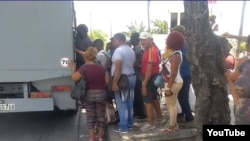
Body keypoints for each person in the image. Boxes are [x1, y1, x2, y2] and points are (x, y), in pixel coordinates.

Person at [68, 47, 109, 141]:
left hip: (88, 95)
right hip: (101, 94)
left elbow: (74, 78)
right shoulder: (102, 68)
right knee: (100, 115)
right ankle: (100, 136)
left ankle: (91, 137)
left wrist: (73, 67)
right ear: (95, 57)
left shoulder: (83, 68)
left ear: (85, 57)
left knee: (90, 115)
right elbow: (107, 82)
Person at [111, 33, 136, 133]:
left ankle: (123, 127)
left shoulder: (119, 51)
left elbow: (118, 67)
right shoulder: (130, 50)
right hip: (131, 77)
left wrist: (115, 83)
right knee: (129, 102)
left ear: (119, 40)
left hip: (122, 79)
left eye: (114, 40)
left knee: (122, 103)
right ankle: (129, 124)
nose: (113, 42)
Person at [139, 32, 164, 132]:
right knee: (153, 98)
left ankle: (150, 123)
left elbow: (149, 70)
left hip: (149, 77)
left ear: (150, 40)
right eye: (141, 40)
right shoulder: (151, 49)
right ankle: (159, 117)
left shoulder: (150, 51)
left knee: (148, 101)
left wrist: (144, 84)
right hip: (152, 77)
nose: (142, 41)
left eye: (144, 39)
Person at [171, 25, 195, 126]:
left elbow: (183, 57)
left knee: (182, 97)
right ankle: (183, 115)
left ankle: (189, 118)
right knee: (182, 96)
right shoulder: (184, 43)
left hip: (183, 73)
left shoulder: (183, 43)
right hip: (184, 73)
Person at [161, 31, 184, 133]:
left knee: (171, 105)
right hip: (175, 81)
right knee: (171, 104)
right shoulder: (177, 53)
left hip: (173, 83)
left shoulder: (175, 55)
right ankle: (174, 125)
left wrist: (168, 87)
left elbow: (173, 73)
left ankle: (171, 127)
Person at [225, 34, 250, 124]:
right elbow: (231, 78)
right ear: (248, 48)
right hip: (241, 119)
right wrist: (237, 101)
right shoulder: (245, 64)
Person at [130, 32, 147, 120]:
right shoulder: (136, 48)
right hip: (137, 75)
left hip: (139, 75)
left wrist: (133, 64)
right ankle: (137, 111)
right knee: (136, 95)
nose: (130, 40)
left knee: (138, 95)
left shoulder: (138, 49)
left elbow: (140, 63)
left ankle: (141, 113)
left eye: (132, 38)